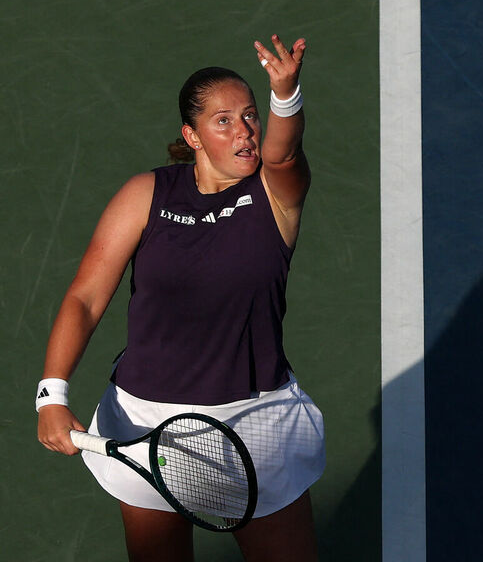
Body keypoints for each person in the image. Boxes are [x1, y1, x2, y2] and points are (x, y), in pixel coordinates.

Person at [36, 35, 323, 562]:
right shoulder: (147, 194)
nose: (245, 131)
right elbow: (86, 296)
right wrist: (51, 394)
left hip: (254, 423)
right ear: (191, 135)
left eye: (251, 116)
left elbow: (284, 150)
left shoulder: (276, 193)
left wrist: (285, 93)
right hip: (143, 418)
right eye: (224, 120)